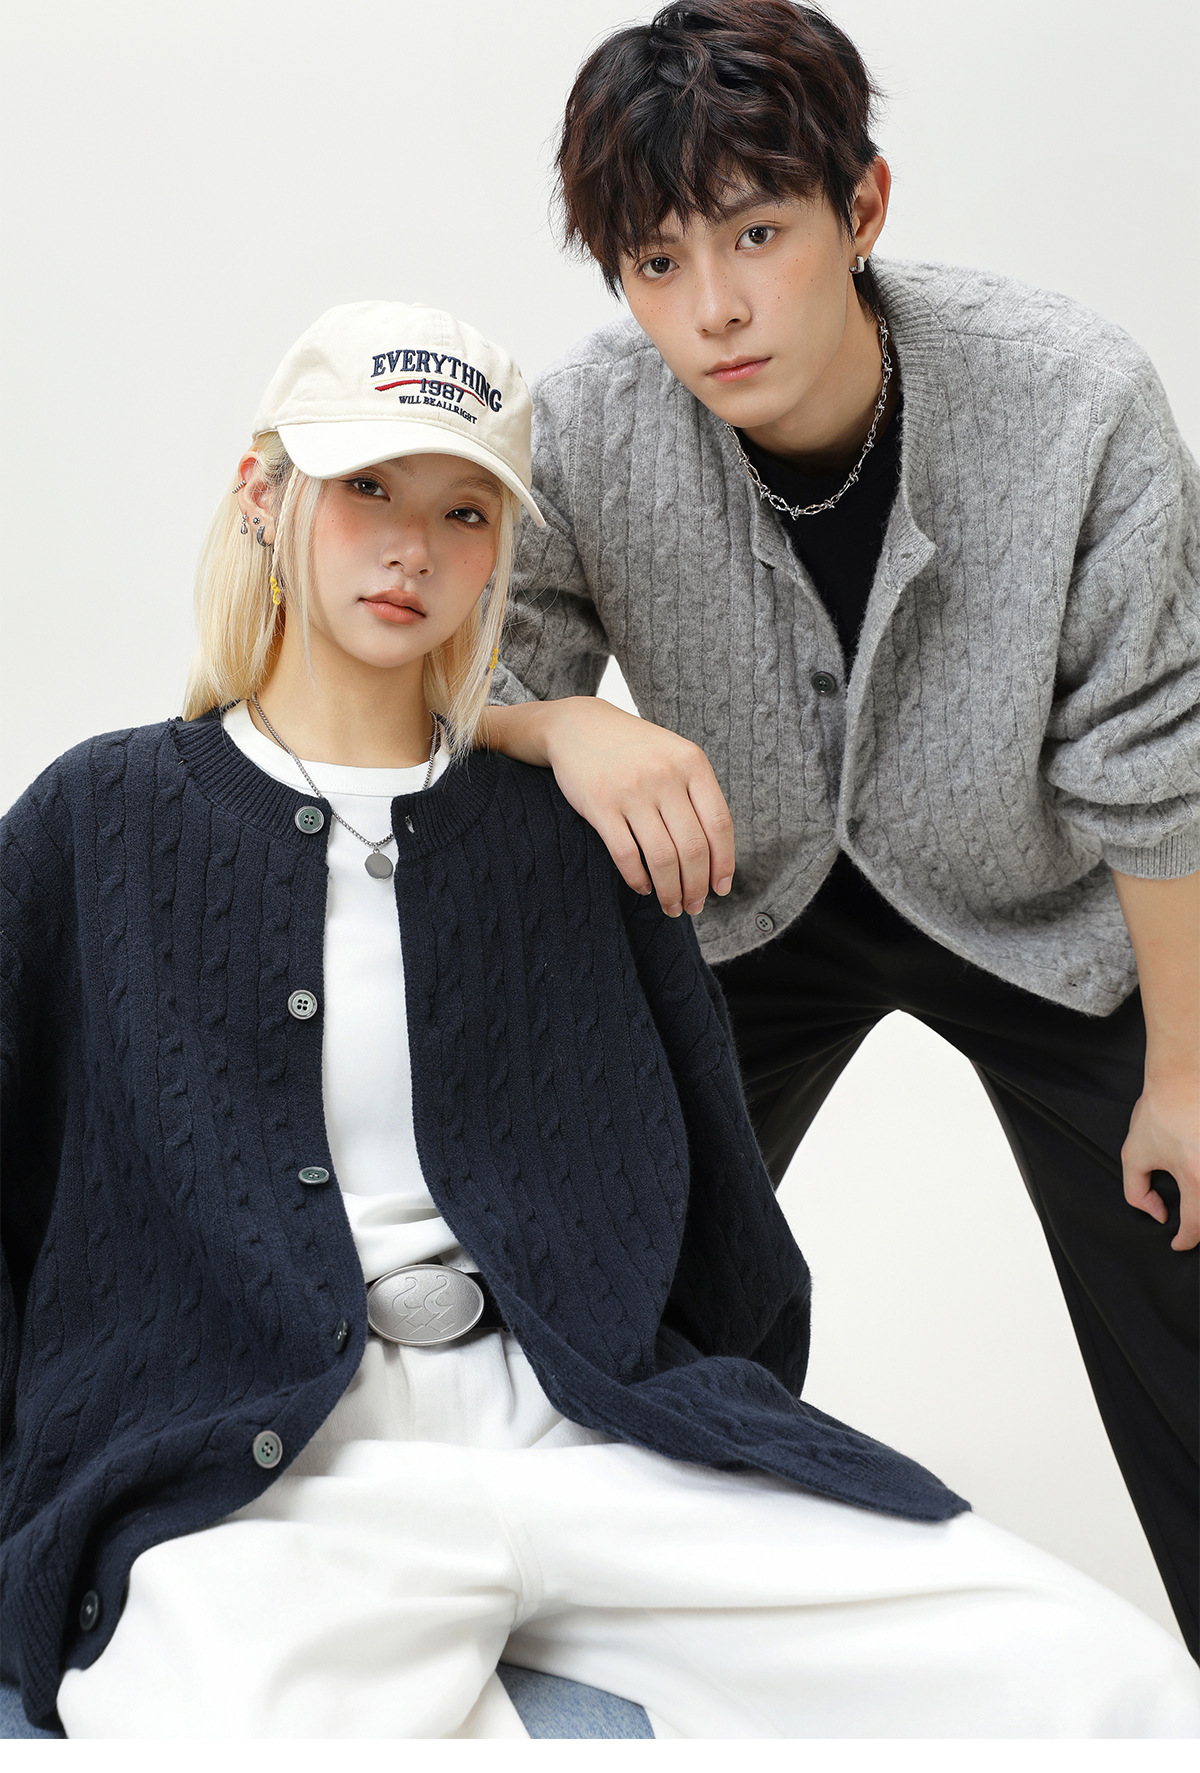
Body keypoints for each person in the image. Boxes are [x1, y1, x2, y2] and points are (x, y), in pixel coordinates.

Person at [3, 299, 1197, 1740]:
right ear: (264, 495)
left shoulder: (567, 840)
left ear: (500, 553)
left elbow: (719, 1220)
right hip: (272, 1484)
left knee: (1106, 1684)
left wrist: (701, 1414)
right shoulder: (99, 820)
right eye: (367, 487)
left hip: (590, 1435)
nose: (412, 547)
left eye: (462, 512)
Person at [480, 0, 1200, 1658]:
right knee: (621, 1278)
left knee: (1190, 1236)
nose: (715, 307)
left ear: (861, 207)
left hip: (1046, 906)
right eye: (658, 263)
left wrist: (1184, 1069)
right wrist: (568, 718)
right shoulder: (588, 424)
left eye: (757, 233)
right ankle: (642, 1659)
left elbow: (1157, 750)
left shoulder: (1072, 396)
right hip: (740, 904)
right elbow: (457, 674)